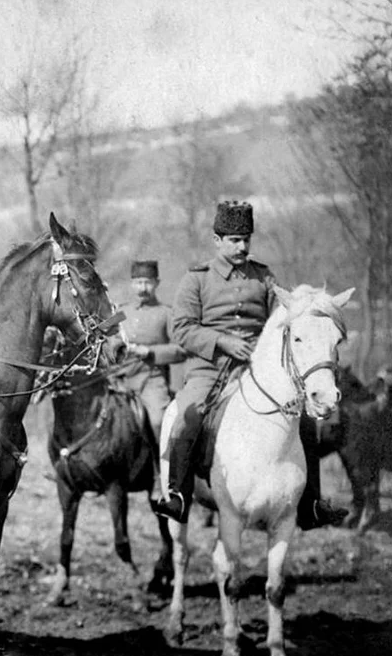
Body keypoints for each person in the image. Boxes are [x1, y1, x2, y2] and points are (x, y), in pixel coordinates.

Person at [153, 201, 348, 529]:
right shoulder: (196, 280)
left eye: (246, 239)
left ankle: (310, 504)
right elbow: (182, 329)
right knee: (187, 416)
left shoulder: (264, 276)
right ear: (217, 241)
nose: (243, 246)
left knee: (302, 422)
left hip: (258, 370)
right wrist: (223, 342)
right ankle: (178, 496)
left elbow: (286, 319)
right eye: (234, 240)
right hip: (209, 369)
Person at [117, 259, 188, 440]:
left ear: (157, 283)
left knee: (159, 422)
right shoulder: (119, 312)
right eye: (138, 282)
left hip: (151, 381)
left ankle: (164, 465)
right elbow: (102, 338)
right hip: (118, 380)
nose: (143, 288)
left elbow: (181, 349)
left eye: (148, 282)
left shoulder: (167, 313)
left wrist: (150, 352)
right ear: (132, 284)